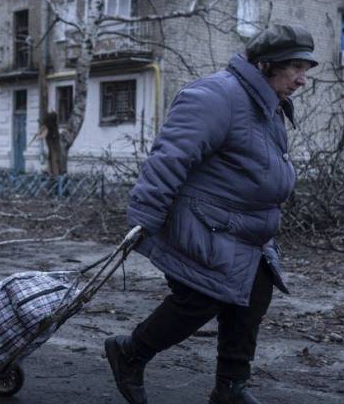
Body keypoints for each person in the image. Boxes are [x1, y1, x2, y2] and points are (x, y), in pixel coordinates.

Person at [105, 24, 316, 404]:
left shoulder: (265, 103)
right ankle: (130, 353)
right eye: (296, 68)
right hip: (202, 224)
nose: (302, 80)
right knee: (202, 297)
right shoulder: (218, 95)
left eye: (306, 70)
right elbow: (170, 157)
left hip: (240, 229)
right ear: (267, 65)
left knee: (254, 292)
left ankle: (230, 387)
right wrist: (144, 218)